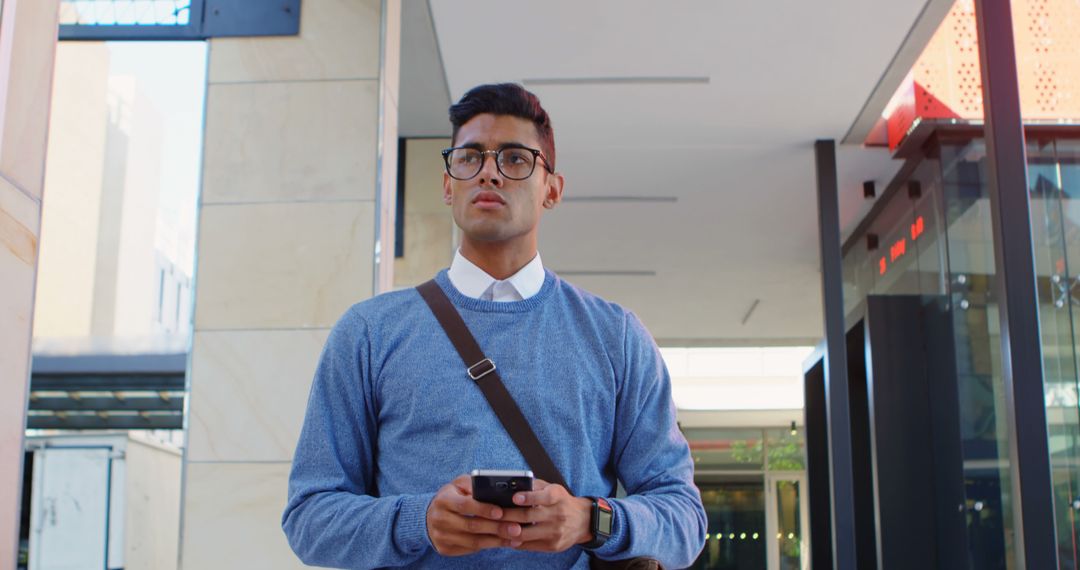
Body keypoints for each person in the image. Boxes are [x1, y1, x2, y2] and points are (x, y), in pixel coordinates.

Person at [282, 83, 706, 569]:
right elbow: (309, 518)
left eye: (515, 159)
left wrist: (591, 520)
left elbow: (685, 518)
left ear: (552, 188)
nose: (489, 172)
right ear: (447, 185)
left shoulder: (616, 337)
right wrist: (418, 521)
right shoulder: (369, 333)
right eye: (469, 158)